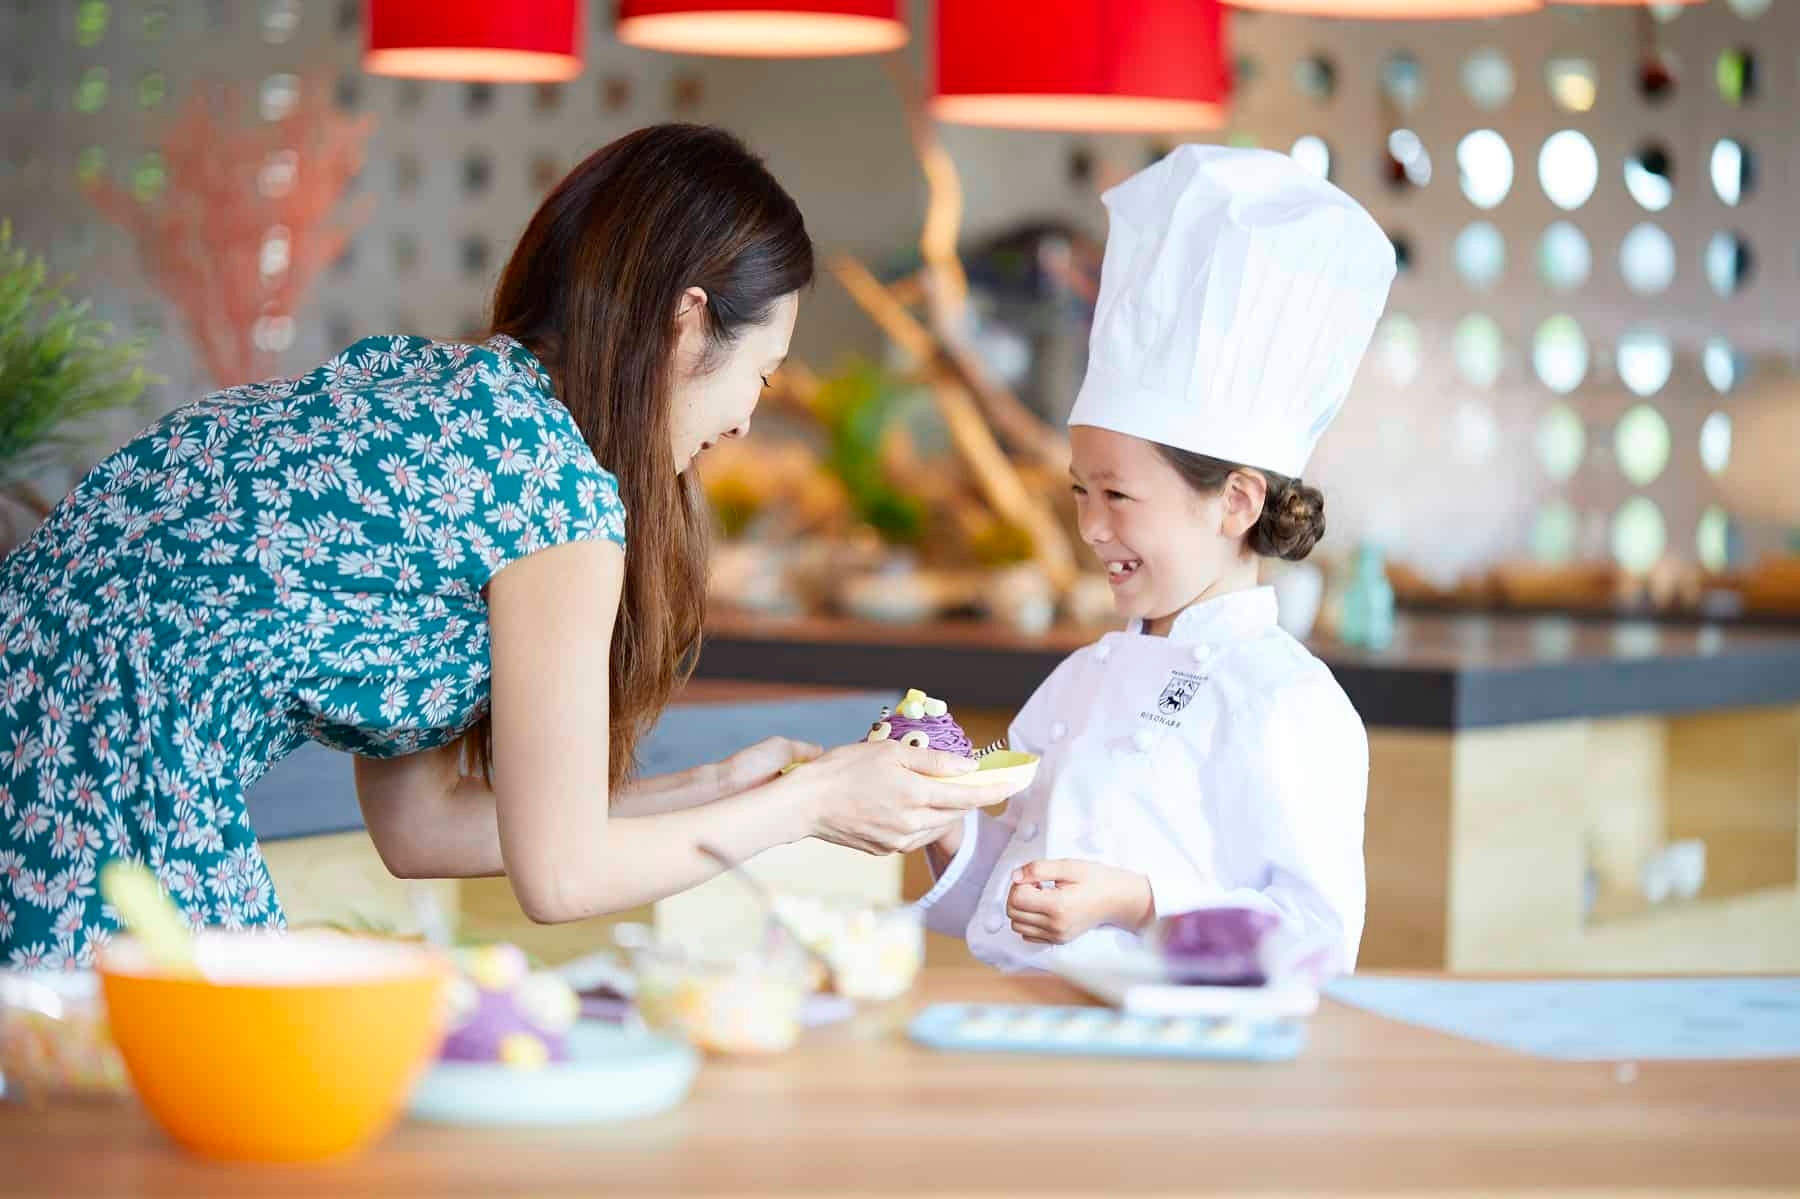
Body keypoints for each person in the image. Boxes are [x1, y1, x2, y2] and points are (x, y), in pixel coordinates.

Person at [0, 123, 1018, 968]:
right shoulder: (552, 493)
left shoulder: (450, 401)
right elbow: (562, 878)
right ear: (686, 322)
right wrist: (816, 805)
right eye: (762, 372)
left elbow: (422, 828)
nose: (749, 419)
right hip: (87, 796)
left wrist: (735, 782)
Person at [914, 145, 1396, 975]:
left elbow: (1318, 941)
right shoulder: (1083, 678)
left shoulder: (1288, 701)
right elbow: (1006, 895)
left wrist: (1138, 901)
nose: (1090, 527)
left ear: (1236, 502)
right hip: (1033, 1024)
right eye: (1080, 491)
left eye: (1118, 495)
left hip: (1177, 1053)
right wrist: (940, 815)